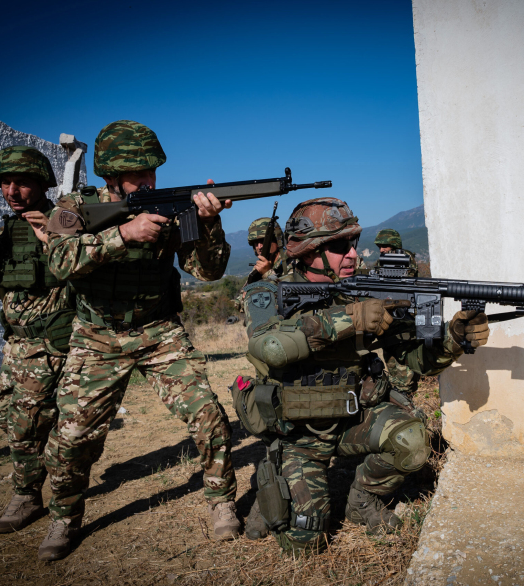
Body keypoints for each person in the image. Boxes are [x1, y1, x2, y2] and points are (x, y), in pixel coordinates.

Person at [235, 198, 489, 554]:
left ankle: (362, 500)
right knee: (304, 545)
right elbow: (269, 347)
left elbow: (414, 358)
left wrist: (454, 339)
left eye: (353, 244)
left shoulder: (364, 291)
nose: (353, 254)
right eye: (340, 247)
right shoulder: (267, 292)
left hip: (354, 419)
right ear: (309, 252)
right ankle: (274, 481)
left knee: (413, 442)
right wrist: (349, 319)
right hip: (299, 431)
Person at [39, 120, 240, 561]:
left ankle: (222, 500)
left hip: (158, 331)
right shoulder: (75, 205)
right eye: (138, 172)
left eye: (152, 170)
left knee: (208, 415)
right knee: (72, 437)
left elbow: (207, 272)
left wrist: (210, 224)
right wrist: (122, 235)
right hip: (97, 336)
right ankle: (64, 518)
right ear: (110, 175)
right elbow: (56, 262)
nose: (149, 179)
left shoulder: (173, 207)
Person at [0, 146, 74, 534]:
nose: (12, 191)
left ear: (41, 183)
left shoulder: (64, 219)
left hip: (48, 346)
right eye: (5, 183)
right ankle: (42, 474)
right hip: (14, 346)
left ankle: (28, 497)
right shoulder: (8, 228)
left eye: (22, 182)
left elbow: (84, 270)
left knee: (25, 426)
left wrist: (52, 238)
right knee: (5, 417)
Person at [372, 228, 421, 397]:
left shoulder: (405, 258)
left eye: (384, 246)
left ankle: (405, 394)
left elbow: (405, 282)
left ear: (394, 244)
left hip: (403, 318)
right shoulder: (382, 261)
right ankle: (400, 391)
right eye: (379, 247)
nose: (381, 250)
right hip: (389, 318)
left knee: (402, 358)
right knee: (390, 354)